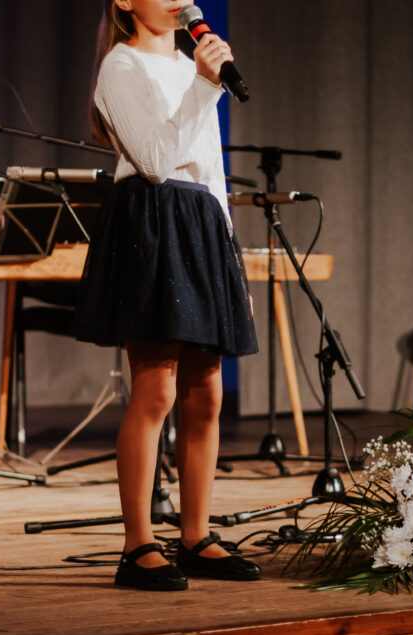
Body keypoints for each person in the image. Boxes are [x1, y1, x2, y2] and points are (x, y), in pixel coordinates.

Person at [75, 0, 261, 591]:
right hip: (153, 222)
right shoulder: (121, 66)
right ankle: (137, 546)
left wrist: (230, 261)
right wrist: (206, 86)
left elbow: (210, 172)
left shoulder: (190, 66)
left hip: (201, 222)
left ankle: (195, 536)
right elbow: (155, 162)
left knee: (206, 390)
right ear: (125, 1)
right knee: (156, 387)